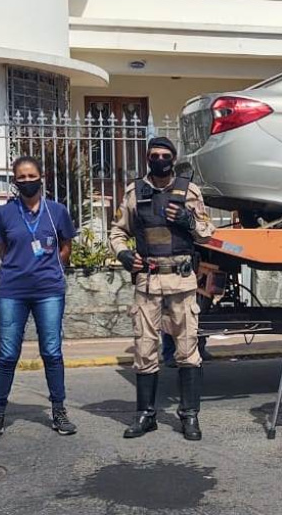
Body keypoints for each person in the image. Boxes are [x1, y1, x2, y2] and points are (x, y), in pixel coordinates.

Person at [109, 136, 215, 441]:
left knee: (187, 351)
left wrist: (188, 221)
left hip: (181, 281)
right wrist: (124, 254)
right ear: (147, 158)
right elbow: (117, 230)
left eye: (164, 155)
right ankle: (146, 415)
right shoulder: (134, 192)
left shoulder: (189, 191)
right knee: (144, 349)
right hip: (148, 282)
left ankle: (189, 415)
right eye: (153, 155)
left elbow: (208, 233)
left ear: (173, 158)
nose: (159, 159)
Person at [0, 156, 78, 443]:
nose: (26, 181)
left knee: (52, 352)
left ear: (41, 176)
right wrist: (20, 269)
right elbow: (3, 248)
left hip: (49, 291)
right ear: (14, 180)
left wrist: (52, 269)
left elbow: (66, 245)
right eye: (20, 177)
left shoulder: (56, 211)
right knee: (8, 354)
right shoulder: (4, 213)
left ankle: (59, 410)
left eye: (31, 175)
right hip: (12, 292)